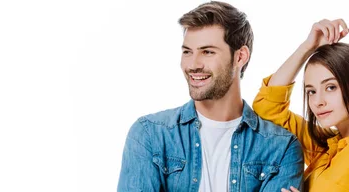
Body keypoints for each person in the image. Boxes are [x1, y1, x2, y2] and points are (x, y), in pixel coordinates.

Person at [117, 1, 304, 191]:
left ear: (240, 57)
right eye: (187, 52)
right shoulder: (150, 135)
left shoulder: (280, 148)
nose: (193, 64)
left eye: (207, 52)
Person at [253, 19, 349, 192]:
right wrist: (307, 48)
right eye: (311, 91)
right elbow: (267, 108)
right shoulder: (325, 147)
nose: (318, 101)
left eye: (330, 87)